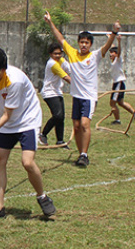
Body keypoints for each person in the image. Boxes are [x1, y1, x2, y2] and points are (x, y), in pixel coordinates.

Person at [0, 47, 56, 220]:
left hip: (27, 121)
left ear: (3, 69)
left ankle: (42, 196)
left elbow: (6, 115)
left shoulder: (14, 80)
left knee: (27, 162)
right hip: (7, 123)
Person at [44, 12, 117, 167]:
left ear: (90, 45)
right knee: (76, 127)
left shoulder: (95, 56)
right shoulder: (72, 53)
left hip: (89, 98)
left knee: (84, 124)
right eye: (82, 42)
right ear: (78, 42)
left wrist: (114, 33)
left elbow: (107, 46)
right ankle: (80, 155)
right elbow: (59, 38)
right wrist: (50, 23)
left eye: (87, 43)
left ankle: (84, 154)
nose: (84, 45)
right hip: (76, 97)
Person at [39, 42, 71, 146]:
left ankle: (60, 141)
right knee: (57, 115)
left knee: (61, 117)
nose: (58, 56)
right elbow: (66, 77)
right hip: (49, 92)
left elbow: (70, 70)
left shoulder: (61, 60)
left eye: (59, 53)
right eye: (55, 54)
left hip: (57, 91)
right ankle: (43, 134)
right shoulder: (52, 64)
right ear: (50, 54)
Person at [108, 34, 135, 126]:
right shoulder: (114, 61)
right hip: (117, 83)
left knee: (112, 103)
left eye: (112, 53)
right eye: (110, 53)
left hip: (119, 83)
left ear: (116, 54)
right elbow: (113, 47)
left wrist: (119, 41)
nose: (110, 54)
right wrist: (110, 38)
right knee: (121, 103)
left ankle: (117, 120)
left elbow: (119, 51)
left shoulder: (118, 60)